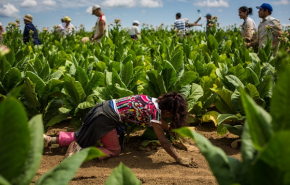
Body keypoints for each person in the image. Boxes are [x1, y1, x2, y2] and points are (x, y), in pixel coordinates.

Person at [43, 92, 194, 167]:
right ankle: (80, 151)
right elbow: (164, 142)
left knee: (80, 135)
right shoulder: (155, 114)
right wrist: (179, 159)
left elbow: (161, 123)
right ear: (167, 112)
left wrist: (171, 129)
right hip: (107, 120)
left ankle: (50, 140)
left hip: (101, 108)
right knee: (114, 151)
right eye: (171, 115)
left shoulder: (151, 101)